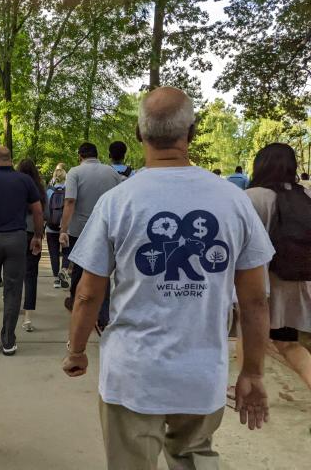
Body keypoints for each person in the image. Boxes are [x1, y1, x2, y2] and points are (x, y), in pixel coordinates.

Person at [62, 87, 275, 469]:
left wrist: (76, 350)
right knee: (194, 457)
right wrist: (253, 372)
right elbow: (256, 300)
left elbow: (87, 293)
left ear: (139, 133)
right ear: (191, 132)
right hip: (200, 374)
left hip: (132, 375)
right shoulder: (233, 201)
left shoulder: (119, 201)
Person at [236, 143, 311, 390]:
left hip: (259, 284)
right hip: (295, 282)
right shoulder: (306, 196)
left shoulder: (252, 197)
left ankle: (244, 386)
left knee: (247, 333)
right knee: (288, 343)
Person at [0, 146, 43, 356]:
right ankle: (8, 340)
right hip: (16, 238)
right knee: (13, 290)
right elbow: (38, 209)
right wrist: (37, 236)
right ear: (10, 160)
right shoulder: (25, 181)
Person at [59, 142, 120, 330]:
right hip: (107, 229)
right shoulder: (112, 173)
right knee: (104, 271)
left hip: (80, 230)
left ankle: (79, 307)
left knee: (78, 269)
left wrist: (63, 229)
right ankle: (103, 315)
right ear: (97, 154)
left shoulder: (75, 173)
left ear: (80, 156)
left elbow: (70, 201)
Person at [17, 159, 46, 332]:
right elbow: (45, 214)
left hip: (15, 232)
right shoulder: (40, 190)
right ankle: (28, 317)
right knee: (31, 275)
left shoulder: (15, 187)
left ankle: (13, 307)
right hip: (34, 233)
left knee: (14, 273)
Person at [46, 166, 70, 289]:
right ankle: (64, 270)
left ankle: (56, 279)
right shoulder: (69, 190)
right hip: (65, 228)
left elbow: (45, 210)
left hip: (51, 228)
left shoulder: (49, 191)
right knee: (66, 251)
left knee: (53, 253)